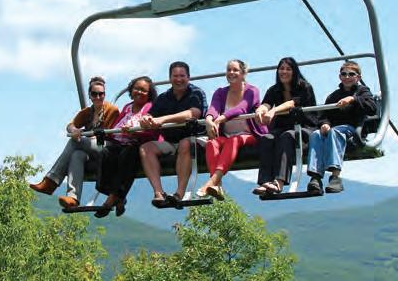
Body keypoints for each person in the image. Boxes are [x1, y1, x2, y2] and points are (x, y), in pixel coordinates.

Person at [29, 76, 119, 208]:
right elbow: (70, 125)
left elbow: (110, 134)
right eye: (94, 94)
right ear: (90, 95)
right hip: (92, 153)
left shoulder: (112, 110)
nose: (98, 97)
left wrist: (84, 137)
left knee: (75, 142)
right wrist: (74, 130)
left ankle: (51, 181)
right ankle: (73, 197)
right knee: (77, 154)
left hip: (105, 148)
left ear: (104, 95)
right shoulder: (87, 112)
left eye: (101, 94)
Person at [197, 59, 268, 201]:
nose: (231, 72)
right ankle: (217, 186)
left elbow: (242, 108)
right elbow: (214, 108)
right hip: (228, 135)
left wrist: (220, 119)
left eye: (235, 70)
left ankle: (212, 182)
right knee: (212, 143)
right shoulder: (220, 92)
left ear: (243, 73)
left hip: (250, 135)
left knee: (234, 141)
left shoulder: (252, 91)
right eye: (228, 70)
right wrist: (209, 120)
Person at [139, 61, 207, 207]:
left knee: (185, 143)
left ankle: (179, 194)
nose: (179, 79)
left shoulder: (196, 93)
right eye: (175, 76)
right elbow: (151, 115)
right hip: (171, 142)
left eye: (182, 76)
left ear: (188, 77)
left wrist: (162, 119)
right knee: (146, 148)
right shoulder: (163, 98)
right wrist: (146, 119)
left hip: (194, 139)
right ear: (170, 78)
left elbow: (193, 113)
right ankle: (159, 193)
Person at [306, 61, 377, 194]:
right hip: (334, 129)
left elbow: (372, 108)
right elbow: (324, 115)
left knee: (335, 132)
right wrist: (324, 124)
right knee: (316, 134)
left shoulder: (362, 91)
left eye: (351, 74)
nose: (347, 77)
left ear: (358, 77)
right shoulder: (334, 96)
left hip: (353, 129)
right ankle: (315, 177)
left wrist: (353, 99)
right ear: (340, 77)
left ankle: (335, 176)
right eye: (344, 74)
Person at [94, 76, 159, 218]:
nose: (139, 92)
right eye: (137, 89)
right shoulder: (127, 107)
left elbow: (154, 132)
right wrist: (106, 134)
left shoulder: (152, 107)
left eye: (143, 90)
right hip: (120, 142)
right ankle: (119, 197)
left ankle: (110, 200)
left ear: (149, 94)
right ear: (131, 90)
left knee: (128, 155)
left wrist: (135, 132)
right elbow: (116, 126)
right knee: (106, 153)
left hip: (139, 143)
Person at [253, 57, 317, 195]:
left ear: (294, 71)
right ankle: (265, 182)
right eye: (281, 69)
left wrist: (274, 111)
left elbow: (293, 103)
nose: (284, 72)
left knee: (287, 136)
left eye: (288, 69)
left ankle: (279, 182)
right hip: (282, 129)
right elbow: (266, 103)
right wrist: (261, 110)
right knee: (267, 138)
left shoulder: (304, 87)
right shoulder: (274, 90)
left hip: (304, 129)